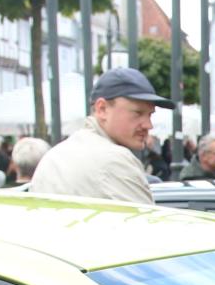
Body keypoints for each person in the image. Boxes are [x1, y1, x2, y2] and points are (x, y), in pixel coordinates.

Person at [29, 67, 170, 203]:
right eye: (138, 113)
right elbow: (146, 224)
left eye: (150, 115)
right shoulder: (115, 160)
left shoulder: (54, 155)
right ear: (102, 109)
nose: (148, 125)